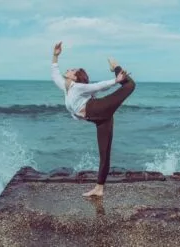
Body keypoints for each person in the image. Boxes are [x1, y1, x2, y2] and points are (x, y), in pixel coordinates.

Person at [51, 41, 136, 196]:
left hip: (100, 108)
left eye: (72, 69)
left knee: (130, 85)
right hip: (99, 118)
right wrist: (55, 56)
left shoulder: (78, 87)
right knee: (104, 153)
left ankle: (115, 67)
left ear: (75, 77)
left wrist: (115, 80)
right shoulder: (66, 87)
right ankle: (99, 188)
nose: (68, 69)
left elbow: (97, 86)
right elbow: (55, 74)